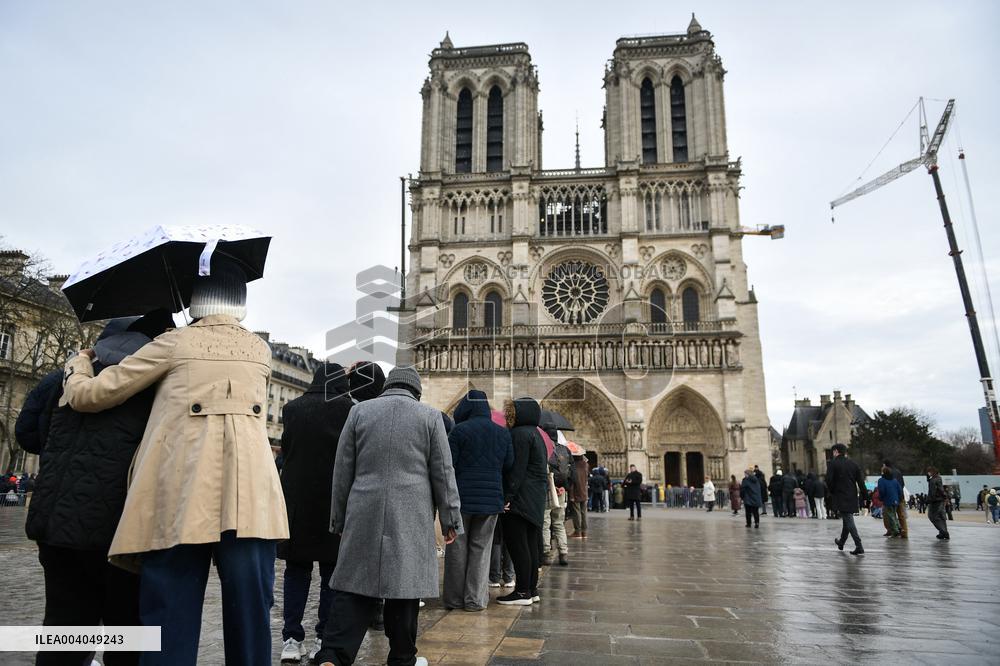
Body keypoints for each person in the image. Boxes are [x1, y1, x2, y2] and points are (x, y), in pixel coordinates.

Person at [61, 256, 289, 666]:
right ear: (241, 303)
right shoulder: (261, 349)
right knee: (253, 618)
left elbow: (92, 397)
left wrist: (78, 367)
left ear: (195, 300)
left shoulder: (173, 343)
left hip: (183, 491)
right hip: (253, 499)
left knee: (170, 614)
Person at [20, 312, 172, 666]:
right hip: (118, 528)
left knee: (64, 627)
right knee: (125, 631)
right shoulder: (158, 385)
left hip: (55, 521)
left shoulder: (64, 377)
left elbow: (26, 434)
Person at [316, 367, 461, 666]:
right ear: (416, 391)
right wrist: (451, 519)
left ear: (387, 386)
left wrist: (338, 519)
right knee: (404, 589)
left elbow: (342, 470)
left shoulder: (359, 413)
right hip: (410, 515)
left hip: (363, 512)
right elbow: (444, 475)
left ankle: (332, 656)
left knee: (355, 585)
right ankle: (402, 658)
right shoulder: (431, 417)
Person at [277, 362, 356, 663]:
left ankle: (291, 638)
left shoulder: (292, 409)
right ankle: (324, 634)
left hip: (296, 502)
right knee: (330, 575)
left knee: (296, 573)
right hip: (333, 503)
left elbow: (287, 450)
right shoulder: (349, 409)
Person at [443, 390, 514, 611]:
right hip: (491, 501)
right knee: (481, 549)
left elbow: (449, 466)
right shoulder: (502, 434)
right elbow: (509, 465)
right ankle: (475, 600)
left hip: (462, 499)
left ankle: (454, 599)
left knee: (457, 549)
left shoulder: (458, 432)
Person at [496, 398, 547, 606]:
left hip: (520, 500)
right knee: (531, 546)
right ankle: (532, 589)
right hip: (535, 499)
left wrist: (507, 497)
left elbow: (517, 470)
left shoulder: (519, 435)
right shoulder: (537, 435)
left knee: (518, 546)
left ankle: (522, 591)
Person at [826, 443, 866, 555]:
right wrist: (866, 496)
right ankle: (841, 542)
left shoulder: (832, 463)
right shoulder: (853, 464)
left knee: (848, 520)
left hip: (840, 495)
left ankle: (859, 545)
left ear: (836, 451)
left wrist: (832, 491)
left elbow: (829, 480)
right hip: (852, 495)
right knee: (846, 519)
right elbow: (861, 482)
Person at [541, 432, 572, 565]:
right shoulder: (565, 450)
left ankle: (546, 553)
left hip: (548, 491)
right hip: (561, 492)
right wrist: (564, 487)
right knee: (559, 523)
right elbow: (573, 473)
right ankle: (563, 553)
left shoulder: (545, 448)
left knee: (546, 523)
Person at [568, 448, 589, 538]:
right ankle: (584, 532)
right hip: (584, 492)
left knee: (576, 513)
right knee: (584, 512)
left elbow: (572, 482)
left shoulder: (573, 467)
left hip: (576, 492)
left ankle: (577, 531)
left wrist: (571, 495)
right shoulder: (586, 465)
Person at [876, 466, 902, 537]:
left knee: (890, 516)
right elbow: (899, 490)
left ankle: (895, 530)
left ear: (883, 472)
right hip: (895, 500)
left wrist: (881, 498)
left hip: (888, 500)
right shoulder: (894, 480)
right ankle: (899, 527)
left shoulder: (881, 480)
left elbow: (881, 490)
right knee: (893, 515)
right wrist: (899, 498)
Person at [926, 467, 950, 540]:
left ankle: (943, 532)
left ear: (932, 472)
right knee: (942, 517)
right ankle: (943, 532)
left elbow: (933, 492)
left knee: (932, 517)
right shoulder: (939, 478)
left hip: (935, 501)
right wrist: (945, 497)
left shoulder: (933, 480)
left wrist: (929, 500)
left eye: (929, 472)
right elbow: (941, 489)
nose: (928, 473)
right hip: (941, 500)